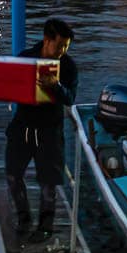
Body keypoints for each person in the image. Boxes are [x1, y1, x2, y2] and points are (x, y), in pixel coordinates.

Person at [6, 17, 78, 239]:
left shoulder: (68, 66)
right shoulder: (25, 58)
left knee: (49, 181)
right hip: (24, 124)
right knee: (12, 174)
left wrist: (56, 86)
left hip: (50, 128)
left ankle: (45, 226)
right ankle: (23, 217)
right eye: (59, 46)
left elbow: (70, 99)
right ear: (46, 40)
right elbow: (10, 86)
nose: (62, 51)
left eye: (66, 47)